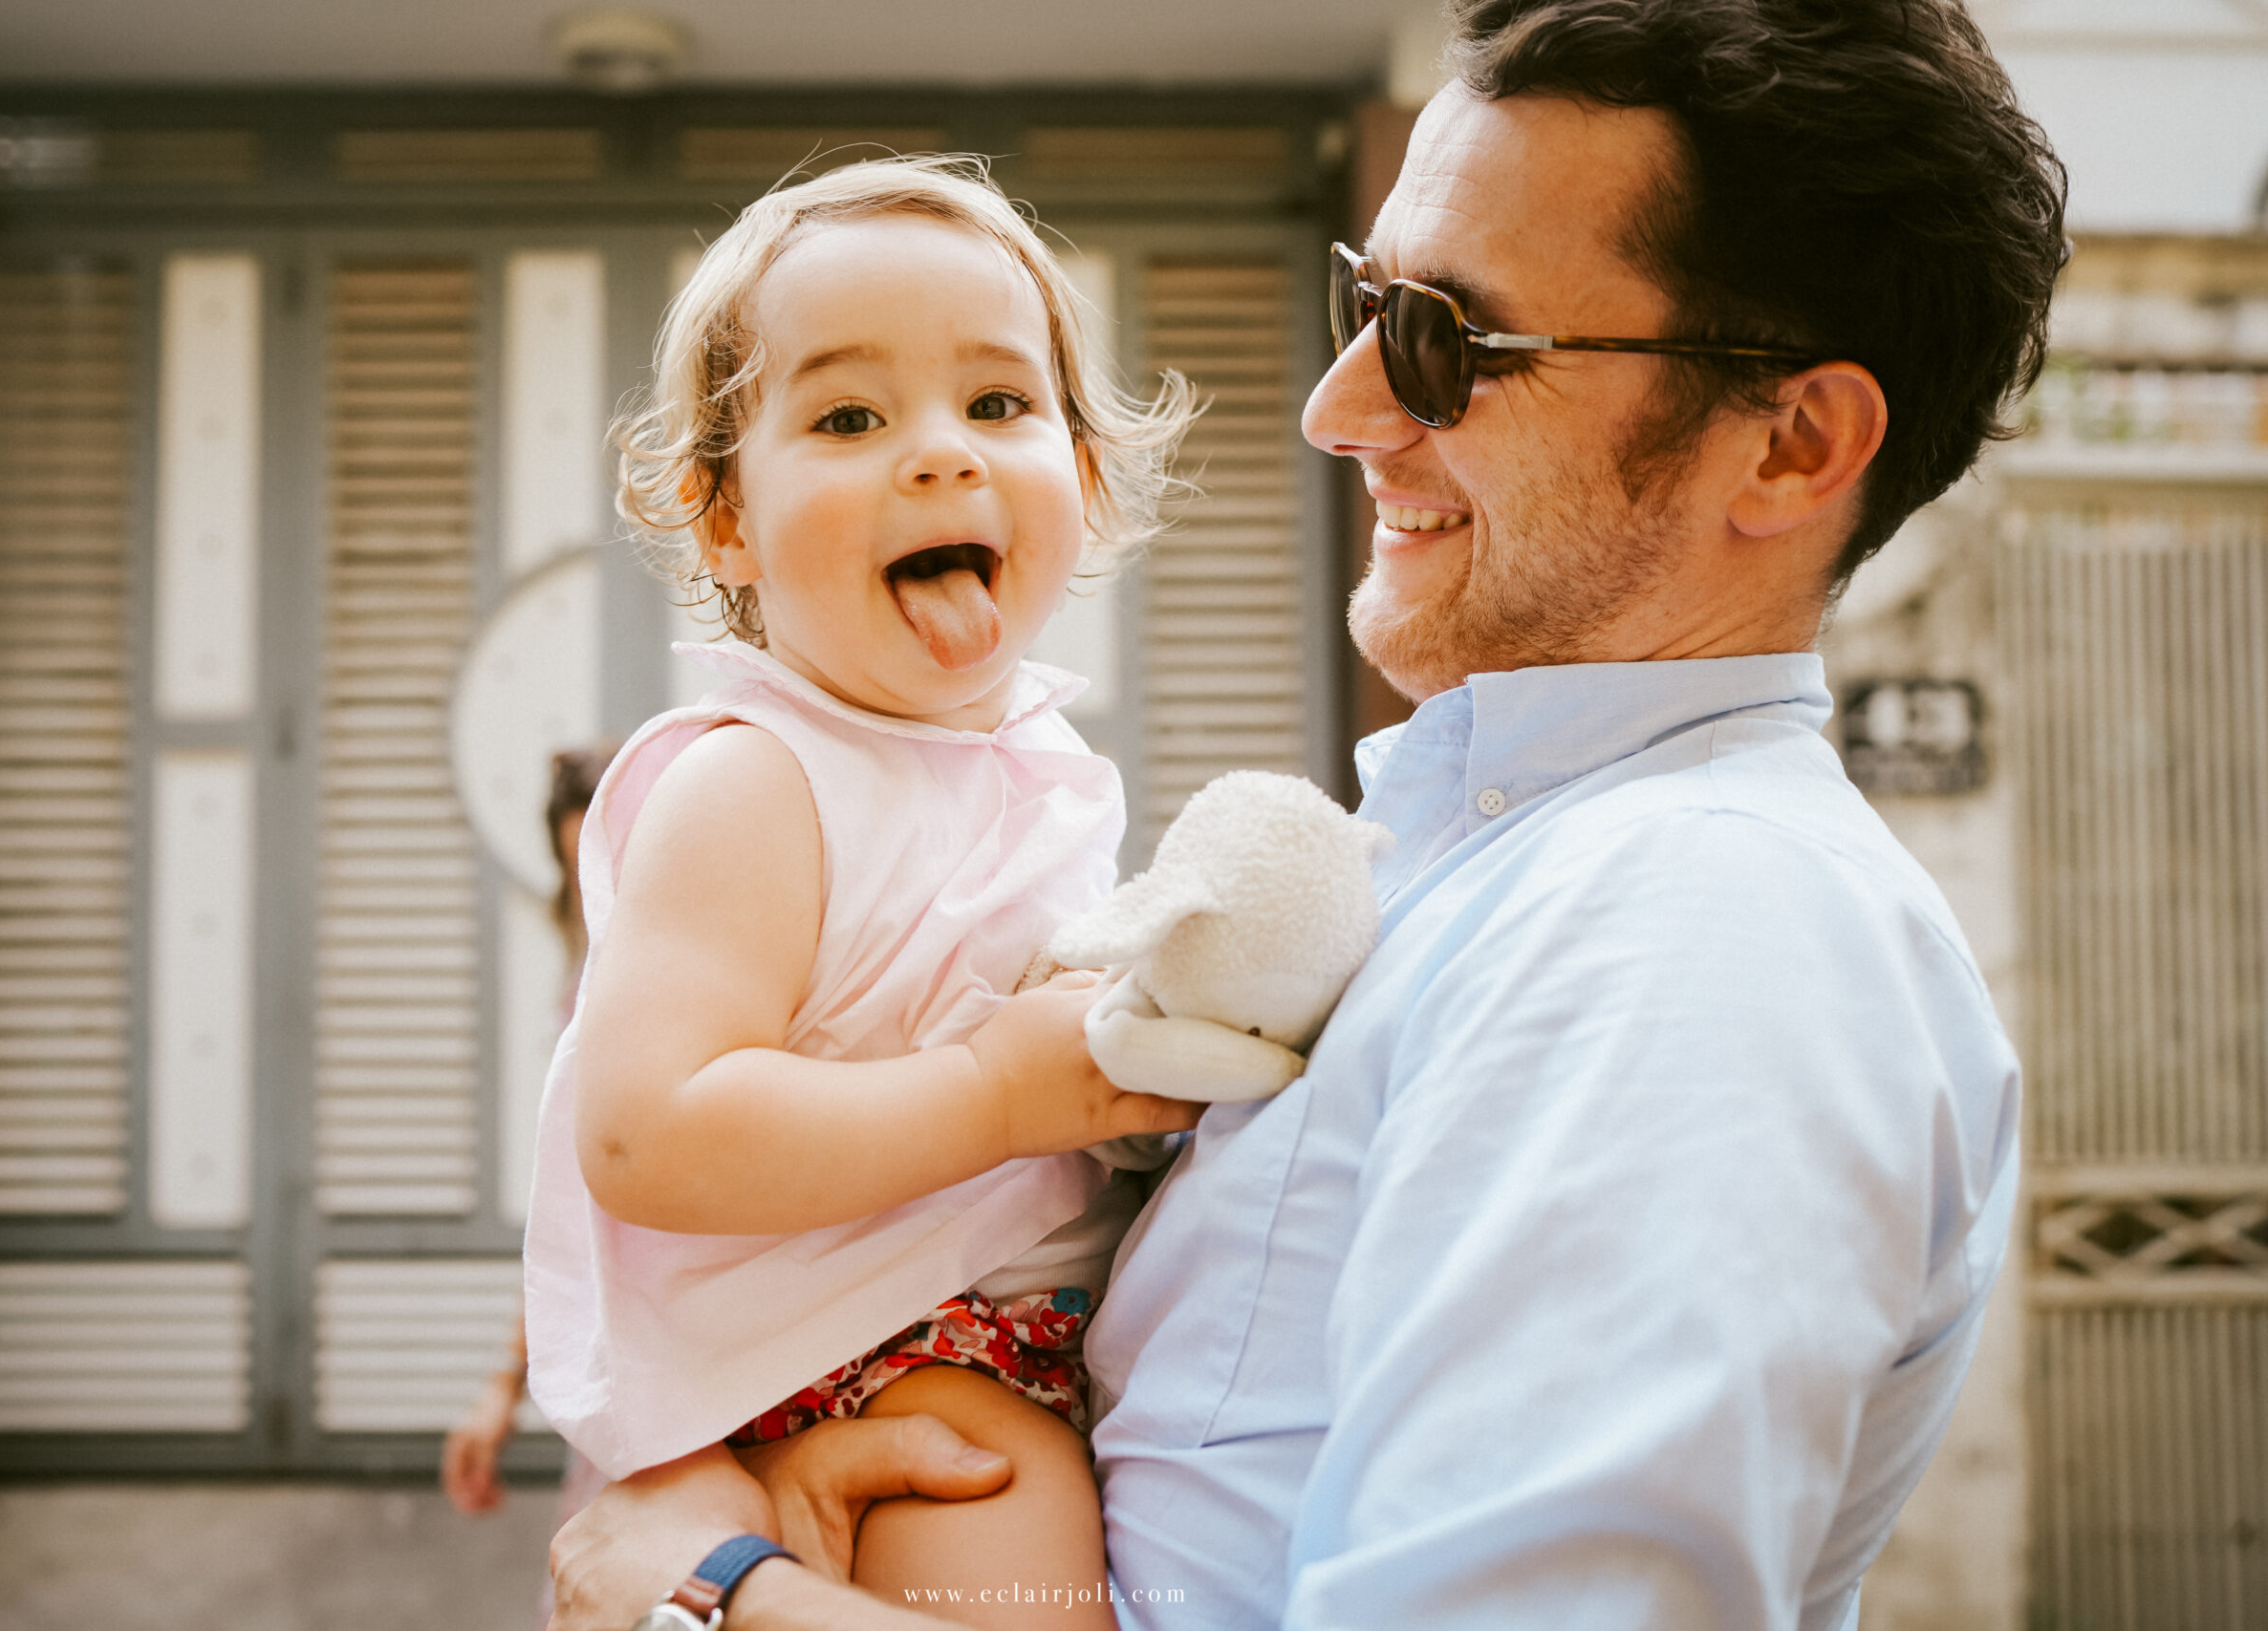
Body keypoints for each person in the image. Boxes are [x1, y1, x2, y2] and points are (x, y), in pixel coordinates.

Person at [541, 2, 2066, 1628]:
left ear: (1790, 444)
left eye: (1447, 340)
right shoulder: (1458, 856)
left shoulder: (1697, 935)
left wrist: (707, 1597)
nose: (1335, 406)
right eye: (1366, 303)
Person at [520, 156, 1202, 1627]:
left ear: (1085, 475)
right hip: (875, 1355)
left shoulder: (1037, 770)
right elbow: (647, 1132)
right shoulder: (759, 779)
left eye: (999, 402)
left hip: (997, 1331)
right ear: (724, 519)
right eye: (848, 417)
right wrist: (994, 1094)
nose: (941, 453)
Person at [442, 746, 618, 1520]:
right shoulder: (588, 981)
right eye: (577, 870)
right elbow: (569, 1203)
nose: (598, 889)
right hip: (620, 1354)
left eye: (611, 861)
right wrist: (502, 1385)